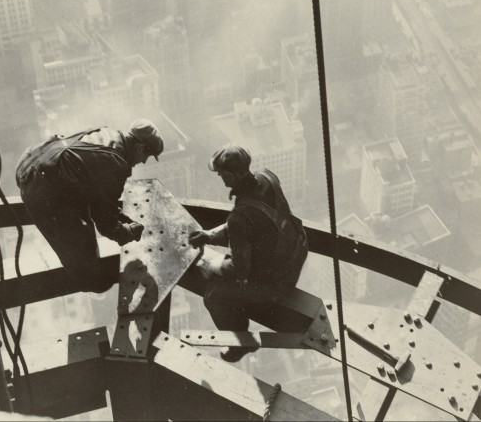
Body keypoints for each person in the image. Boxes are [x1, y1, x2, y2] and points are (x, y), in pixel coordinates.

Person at [189, 144, 308, 362]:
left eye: (222, 174)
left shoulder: (240, 218)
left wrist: (211, 266)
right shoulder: (267, 178)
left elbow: (239, 268)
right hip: (294, 254)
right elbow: (255, 223)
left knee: (214, 296)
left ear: (230, 175)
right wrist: (209, 236)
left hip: (276, 283)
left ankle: (240, 344)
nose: (221, 179)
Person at [16, 118, 163, 292]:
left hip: (29, 164)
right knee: (85, 263)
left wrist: (118, 216)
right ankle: (88, 283)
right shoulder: (116, 163)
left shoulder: (104, 132)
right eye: (146, 156)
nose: (144, 161)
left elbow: (98, 197)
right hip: (41, 187)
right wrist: (128, 232)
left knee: (83, 230)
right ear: (140, 147)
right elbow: (106, 225)